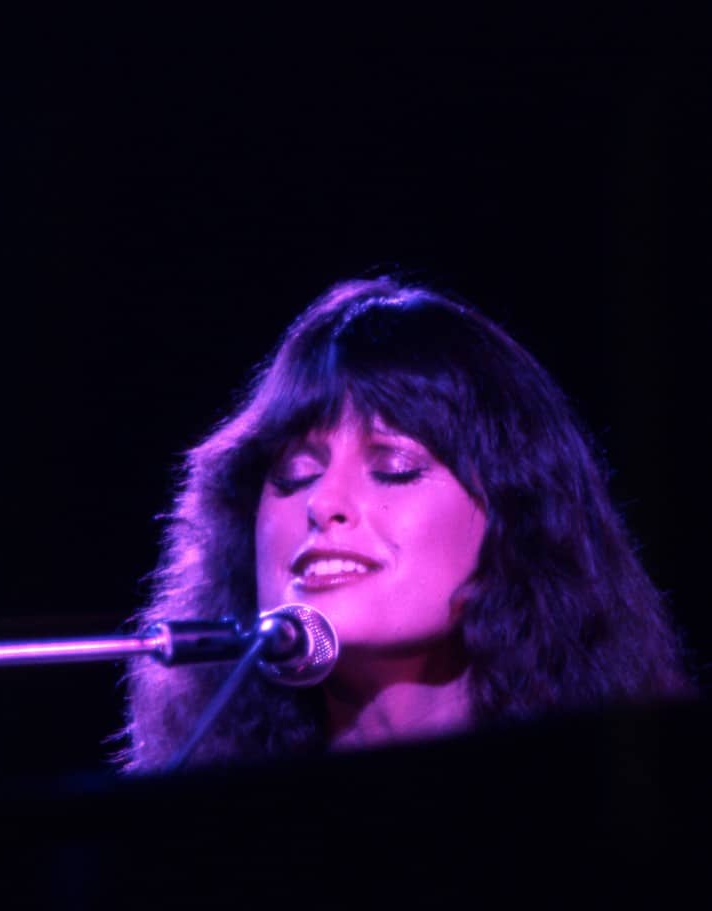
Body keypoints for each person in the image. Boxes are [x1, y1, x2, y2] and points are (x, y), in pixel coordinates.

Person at [122, 274, 691, 772]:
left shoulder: (635, 810)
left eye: (393, 468)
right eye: (295, 474)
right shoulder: (218, 839)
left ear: (513, 519)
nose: (323, 504)